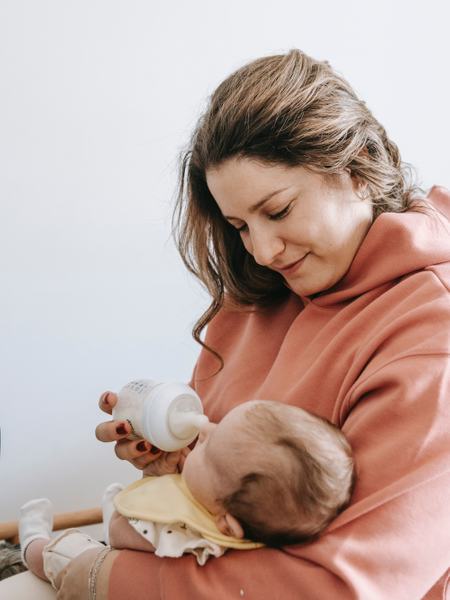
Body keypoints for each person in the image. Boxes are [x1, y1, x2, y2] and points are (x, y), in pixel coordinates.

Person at [2, 48, 449, 599]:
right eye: (238, 225)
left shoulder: (433, 341)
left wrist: (96, 574)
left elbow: (341, 589)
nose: (261, 250)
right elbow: (227, 515)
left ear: (355, 170)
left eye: (279, 211)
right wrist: (178, 465)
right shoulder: (262, 293)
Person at [18, 400, 355, 587]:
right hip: (130, 543)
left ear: (226, 526)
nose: (203, 429)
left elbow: (118, 536)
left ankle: (31, 540)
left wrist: (152, 485)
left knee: (63, 554)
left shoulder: (188, 531)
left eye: (206, 448)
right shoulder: (229, 504)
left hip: (114, 554)